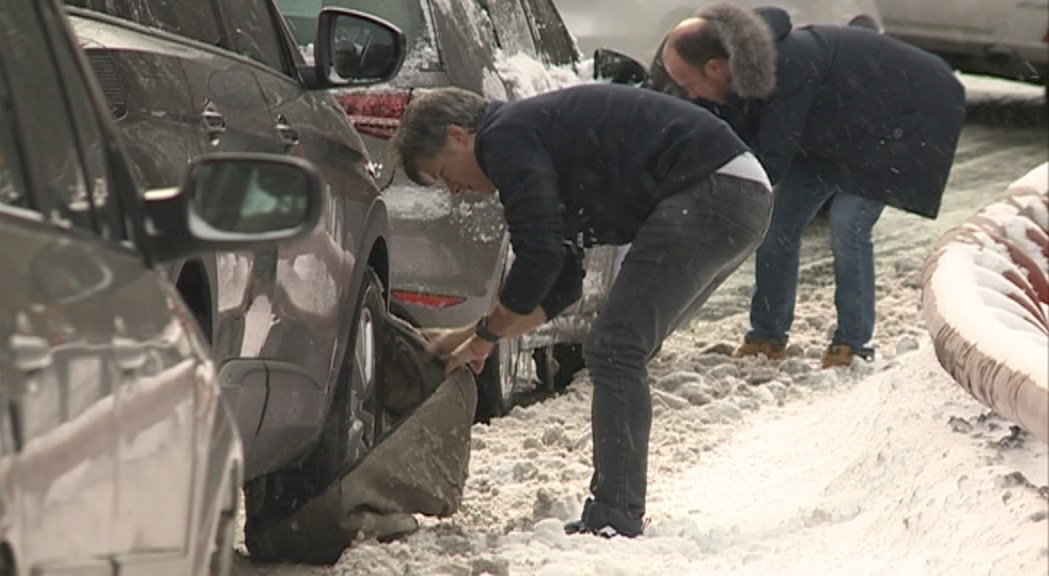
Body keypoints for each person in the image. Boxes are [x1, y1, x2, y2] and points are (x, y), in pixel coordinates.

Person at [390, 83, 773, 537]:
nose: (455, 190)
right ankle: (618, 507)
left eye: (443, 174)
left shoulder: (503, 136)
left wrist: (485, 337)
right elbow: (562, 285)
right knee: (620, 347)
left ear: (458, 136)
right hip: (737, 194)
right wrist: (475, 334)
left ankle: (616, 514)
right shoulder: (534, 137)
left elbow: (539, 258)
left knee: (616, 348)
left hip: (712, 191)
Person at [655, 3, 966, 368]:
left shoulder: (787, 65)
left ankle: (853, 343)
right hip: (835, 131)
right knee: (778, 226)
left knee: (848, 224)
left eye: (689, 85)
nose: (690, 95)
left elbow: (768, 160)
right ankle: (767, 336)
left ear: (715, 67)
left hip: (901, 120)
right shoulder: (739, 76)